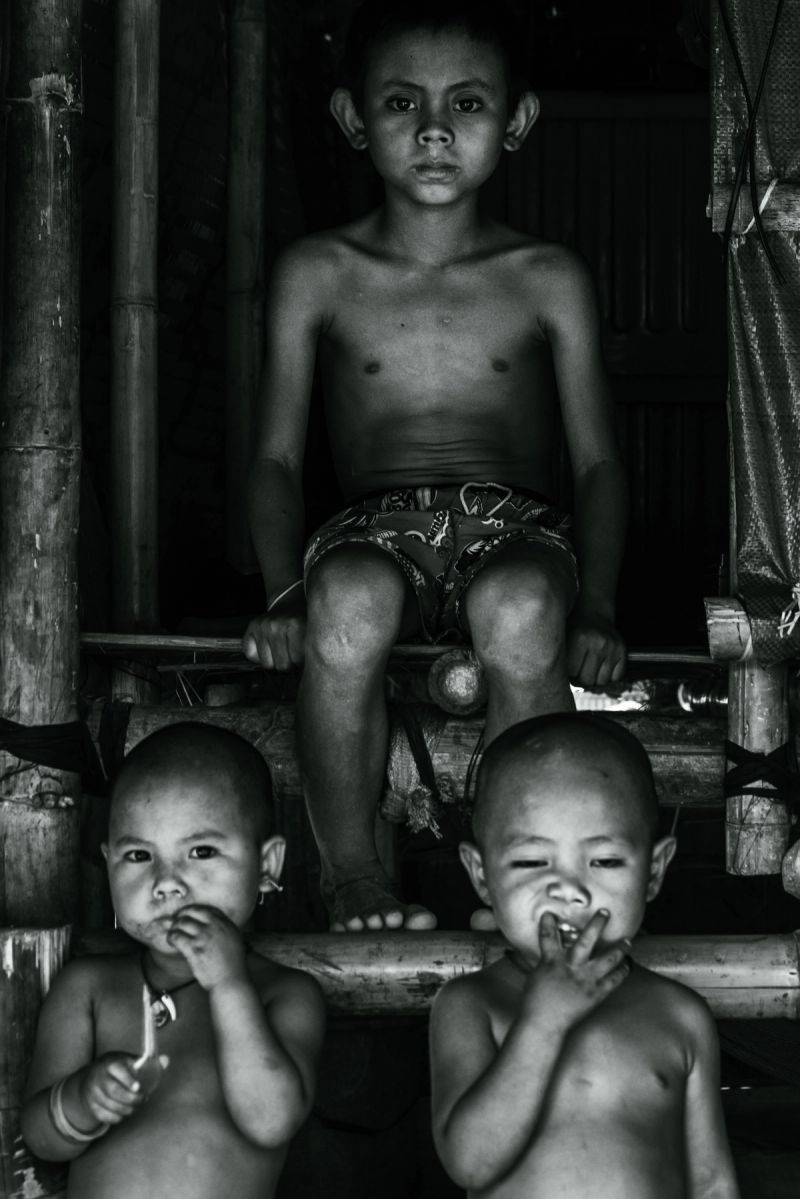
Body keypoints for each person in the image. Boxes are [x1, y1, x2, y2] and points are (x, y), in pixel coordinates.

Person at [243, 0, 628, 933]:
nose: (432, 132)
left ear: (517, 121)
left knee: (521, 610)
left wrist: (602, 603)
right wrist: (282, 593)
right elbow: (278, 457)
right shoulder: (317, 273)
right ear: (350, 118)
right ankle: (355, 881)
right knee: (347, 602)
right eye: (402, 104)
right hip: (369, 529)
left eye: (466, 105)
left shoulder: (547, 277)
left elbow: (599, 464)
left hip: (520, 529)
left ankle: (515, 881)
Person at [429, 712, 740, 1199]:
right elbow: (470, 1163)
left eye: (605, 860)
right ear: (482, 876)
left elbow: (712, 1183)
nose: (570, 890)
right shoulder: (472, 1004)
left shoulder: (680, 1016)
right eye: (532, 861)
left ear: (654, 871)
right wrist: (543, 1022)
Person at [22, 723, 326, 1199]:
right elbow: (42, 1141)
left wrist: (228, 985)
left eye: (201, 851)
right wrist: (83, 1099)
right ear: (108, 865)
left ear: (266, 866)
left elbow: (271, 1122)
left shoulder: (283, 993)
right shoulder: (89, 988)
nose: (166, 883)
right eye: (139, 855)